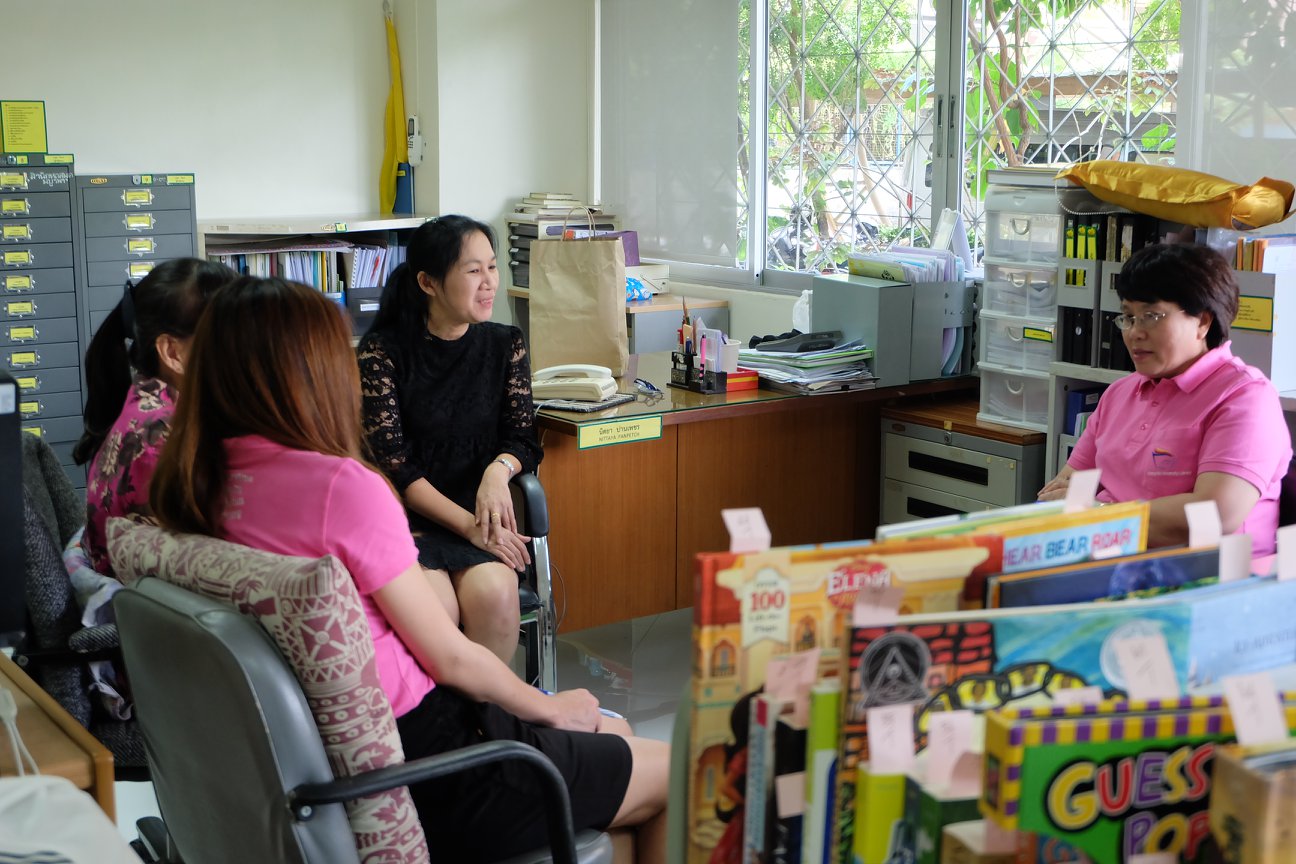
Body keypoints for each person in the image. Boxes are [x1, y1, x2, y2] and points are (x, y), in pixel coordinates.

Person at [148, 277, 668, 862]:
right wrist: (551, 706)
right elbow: (449, 657)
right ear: (313, 372)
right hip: (431, 760)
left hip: (311, 762)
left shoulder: (192, 482)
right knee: (667, 767)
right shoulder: (340, 487)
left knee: (615, 756)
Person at [358, 215, 537, 662]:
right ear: (428, 282)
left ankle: (490, 707)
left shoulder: (505, 344)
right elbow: (395, 468)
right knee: (437, 611)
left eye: (492, 267)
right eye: (473, 270)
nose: (489, 282)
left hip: (482, 520)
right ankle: (445, 711)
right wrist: (471, 528)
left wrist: (497, 473)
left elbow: (522, 438)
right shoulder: (382, 353)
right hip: (410, 522)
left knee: (496, 596)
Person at [1038, 243, 1291, 555]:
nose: (1134, 332)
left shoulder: (1245, 397)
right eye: (1128, 317)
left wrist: (1097, 514)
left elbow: (1213, 516)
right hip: (1111, 559)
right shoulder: (1120, 393)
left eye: (1151, 316)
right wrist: (1084, 512)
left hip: (1207, 574)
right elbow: (1066, 488)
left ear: (1203, 322)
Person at [74, 258, 236, 578]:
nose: (244, 350)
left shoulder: (150, 406)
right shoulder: (161, 440)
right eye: (229, 338)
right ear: (173, 353)